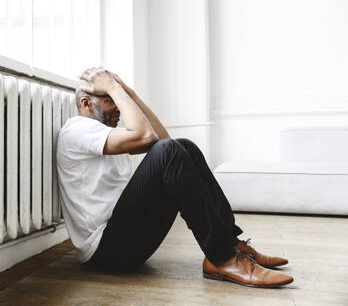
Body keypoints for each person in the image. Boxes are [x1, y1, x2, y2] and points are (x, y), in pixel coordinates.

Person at [56, 67, 293, 288]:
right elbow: (148, 138)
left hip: (124, 241)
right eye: (110, 100)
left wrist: (128, 92)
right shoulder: (76, 130)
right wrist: (114, 87)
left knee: (183, 147)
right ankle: (223, 258)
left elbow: (161, 139)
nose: (118, 106)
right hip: (106, 253)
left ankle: (230, 246)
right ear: (86, 103)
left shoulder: (108, 135)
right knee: (169, 150)